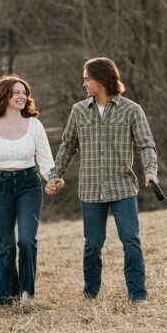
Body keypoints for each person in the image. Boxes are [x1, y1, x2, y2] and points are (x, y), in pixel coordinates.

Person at [45, 57, 157, 305]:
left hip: (123, 187)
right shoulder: (78, 111)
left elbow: (146, 144)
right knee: (93, 245)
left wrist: (150, 171)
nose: (84, 83)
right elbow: (67, 146)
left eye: (88, 78)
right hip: (91, 190)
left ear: (102, 79)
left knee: (131, 240)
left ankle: (138, 295)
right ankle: (90, 292)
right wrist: (55, 174)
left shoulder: (131, 110)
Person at [0, 75, 55, 306]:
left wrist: (54, 180)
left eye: (24, 92)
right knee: (5, 245)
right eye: (16, 92)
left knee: (26, 240)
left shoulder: (35, 125)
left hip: (29, 185)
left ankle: (27, 291)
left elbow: (47, 163)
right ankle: (5, 297)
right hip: (0, 186)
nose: (22, 96)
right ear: (5, 96)